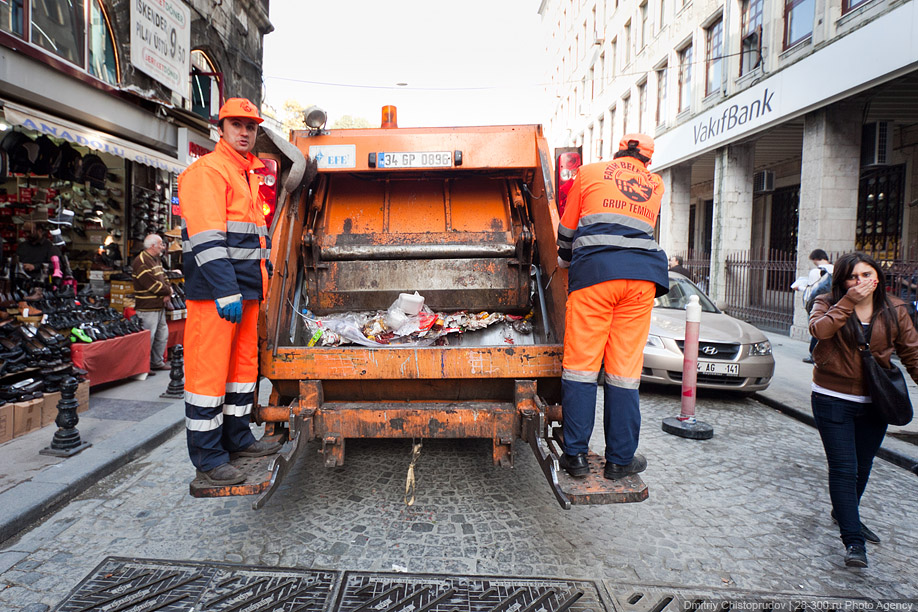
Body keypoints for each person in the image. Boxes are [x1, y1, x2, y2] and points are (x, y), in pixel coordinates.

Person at [177, 98, 280, 486]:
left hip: (245, 294)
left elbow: (252, 241)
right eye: (236, 124)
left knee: (240, 373)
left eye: (250, 126)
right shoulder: (208, 172)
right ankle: (208, 457)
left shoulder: (245, 174)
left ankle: (237, 439)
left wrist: (262, 283)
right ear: (221, 128)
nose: (244, 132)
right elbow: (207, 239)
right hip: (216, 296)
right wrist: (225, 291)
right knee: (208, 377)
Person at [555, 133, 669, 481]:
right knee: (624, 371)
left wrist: (563, 260)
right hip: (642, 280)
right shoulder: (656, 185)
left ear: (617, 151)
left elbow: (567, 229)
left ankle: (575, 456)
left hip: (595, 277)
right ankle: (620, 460)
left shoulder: (589, 173)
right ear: (647, 160)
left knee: (581, 368)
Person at [809, 251, 918, 569]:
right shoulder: (828, 302)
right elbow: (821, 331)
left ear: (878, 277)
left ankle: (845, 513)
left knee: (862, 466)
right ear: (843, 280)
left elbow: (912, 353)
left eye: (867, 275)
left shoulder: (895, 308)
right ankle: (853, 541)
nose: (861, 282)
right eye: (853, 277)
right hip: (832, 397)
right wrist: (848, 303)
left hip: (877, 400)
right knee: (843, 468)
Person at [131, 234, 173, 373]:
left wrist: (168, 291)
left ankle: (156, 361)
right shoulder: (141, 261)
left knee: (162, 334)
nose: (163, 247)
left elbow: (164, 276)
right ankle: (144, 366)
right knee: (149, 337)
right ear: (153, 246)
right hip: (147, 306)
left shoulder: (155, 260)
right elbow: (150, 284)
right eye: (161, 244)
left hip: (158, 304)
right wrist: (167, 291)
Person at [799, 249, 834, 364]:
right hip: (832, 303)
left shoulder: (816, 271)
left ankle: (814, 354)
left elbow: (812, 290)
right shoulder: (835, 269)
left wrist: (799, 287)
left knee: (816, 329)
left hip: (817, 304)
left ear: (815, 259)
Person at [15, 221, 63, 290]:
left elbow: (56, 266)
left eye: (30, 232)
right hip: (22, 282)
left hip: (42, 284)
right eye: (25, 232)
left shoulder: (50, 247)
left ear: (39, 231)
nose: (26, 235)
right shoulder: (22, 246)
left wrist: (35, 266)